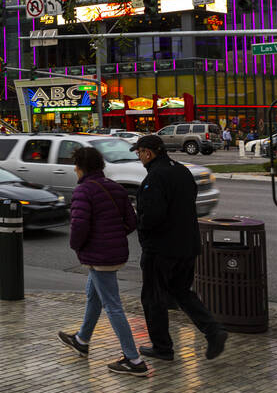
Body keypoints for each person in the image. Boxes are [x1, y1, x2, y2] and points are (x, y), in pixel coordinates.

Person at [131, 134, 228, 362]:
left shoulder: (155, 177)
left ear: (148, 152)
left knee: (153, 297)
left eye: (139, 153)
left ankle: (162, 347)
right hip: (187, 244)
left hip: (162, 248)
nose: (139, 157)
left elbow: (152, 216)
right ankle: (213, 331)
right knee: (181, 292)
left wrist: (141, 228)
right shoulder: (182, 171)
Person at [57, 146, 148, 376]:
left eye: (76, 166)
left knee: (113, 305)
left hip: (98, 256)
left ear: (80, 168)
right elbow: (130, 221)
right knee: (93, 295)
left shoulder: (83, 191)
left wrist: (79, 246)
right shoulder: (115, 188)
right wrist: (113, 236)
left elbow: (78, 227)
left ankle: (133, 359)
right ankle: (82, 339)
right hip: (113, 252)